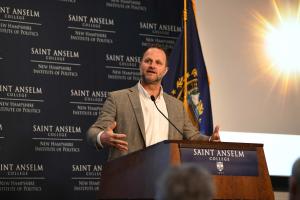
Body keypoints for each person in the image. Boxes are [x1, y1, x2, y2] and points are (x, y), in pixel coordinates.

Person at [87, 45, 220, 161]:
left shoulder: (176, 106)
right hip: (127, 177)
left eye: (158, 62)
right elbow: (93, 132)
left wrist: (210, 141)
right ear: (141, 65)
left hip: (165, 177)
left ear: (165, 71)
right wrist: (102, 137)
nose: (152, 65)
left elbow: (193, 137)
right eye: (148, 61)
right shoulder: (118, 99)